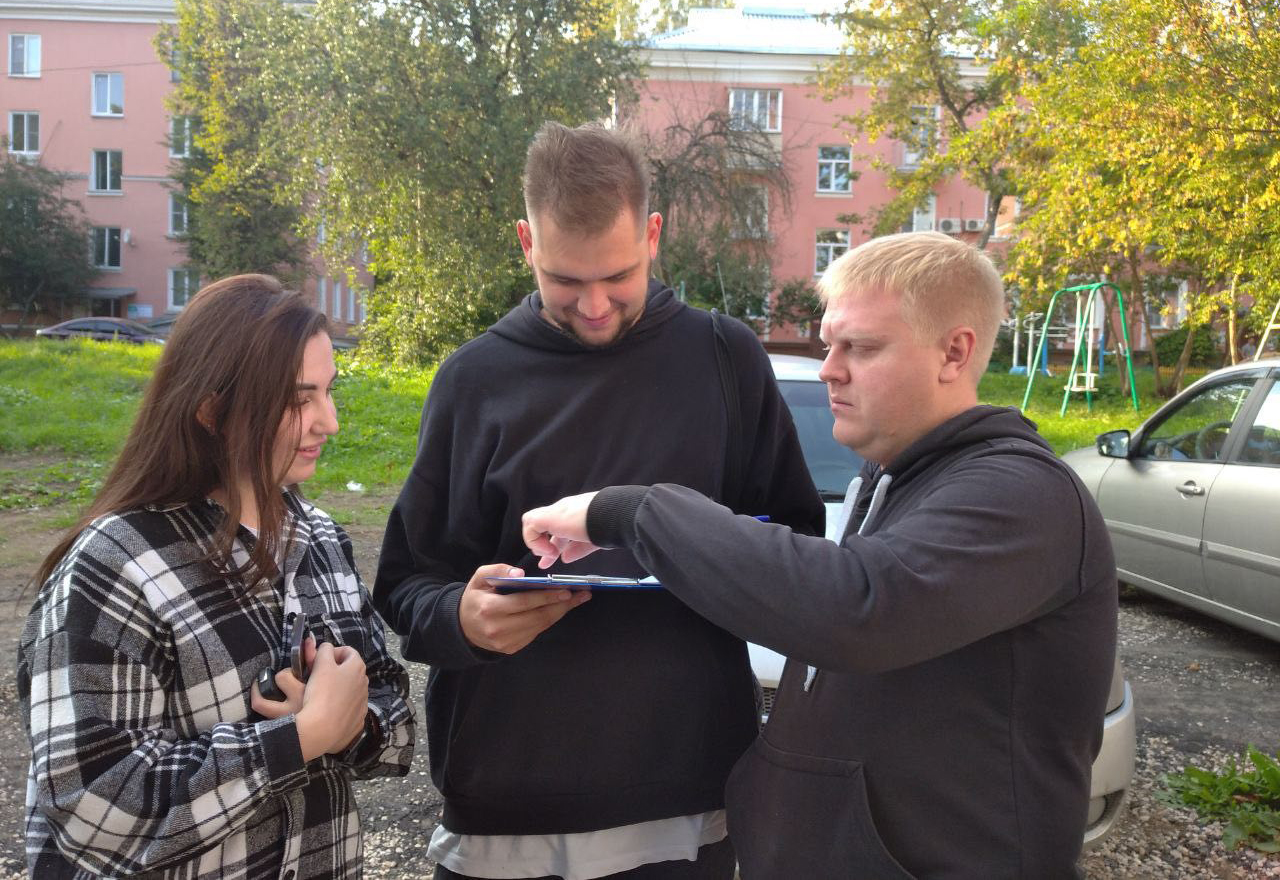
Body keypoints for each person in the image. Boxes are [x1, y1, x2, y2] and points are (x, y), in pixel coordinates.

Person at [522, 232, 1119, 879]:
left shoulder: (1022, 494)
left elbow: (856, 608)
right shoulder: (897, 478)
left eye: (860, 347)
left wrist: (630, 512)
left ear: (954, 352)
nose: (830, 367)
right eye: (830, 344)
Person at [372, 120, 824, 880]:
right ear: (526, 242)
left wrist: (706, 553)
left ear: (652, 233)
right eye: (564, 281)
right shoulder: (474, 379)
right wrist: (463, 618)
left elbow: (796, 549)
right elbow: (405, 585)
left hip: (685, 800)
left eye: (615, 278)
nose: (592, 306)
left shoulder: (724, 359)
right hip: (505, 812)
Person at [18, 274, 415, 879]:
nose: (329, 422)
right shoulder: (117, 566)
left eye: (329, 392)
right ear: (212, 410)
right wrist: (297, 739)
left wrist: (351, 722)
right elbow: (92, 806)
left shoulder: (324, 542)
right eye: (298, 399)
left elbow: (396, 726)